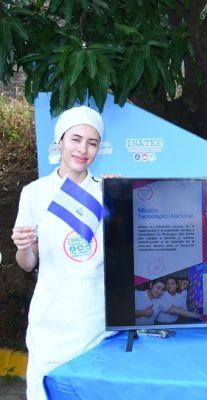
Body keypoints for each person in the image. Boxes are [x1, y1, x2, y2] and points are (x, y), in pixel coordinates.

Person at [10, 106, 114, 400]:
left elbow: (124, 255)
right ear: (60, 142)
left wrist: (122, 196)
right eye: (75, 139)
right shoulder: (35, 192)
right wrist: (24, 246)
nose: (83, 150)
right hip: (51, 318)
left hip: (96, 320)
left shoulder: (106, 190)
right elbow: (27, 264)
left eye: (92, 143)